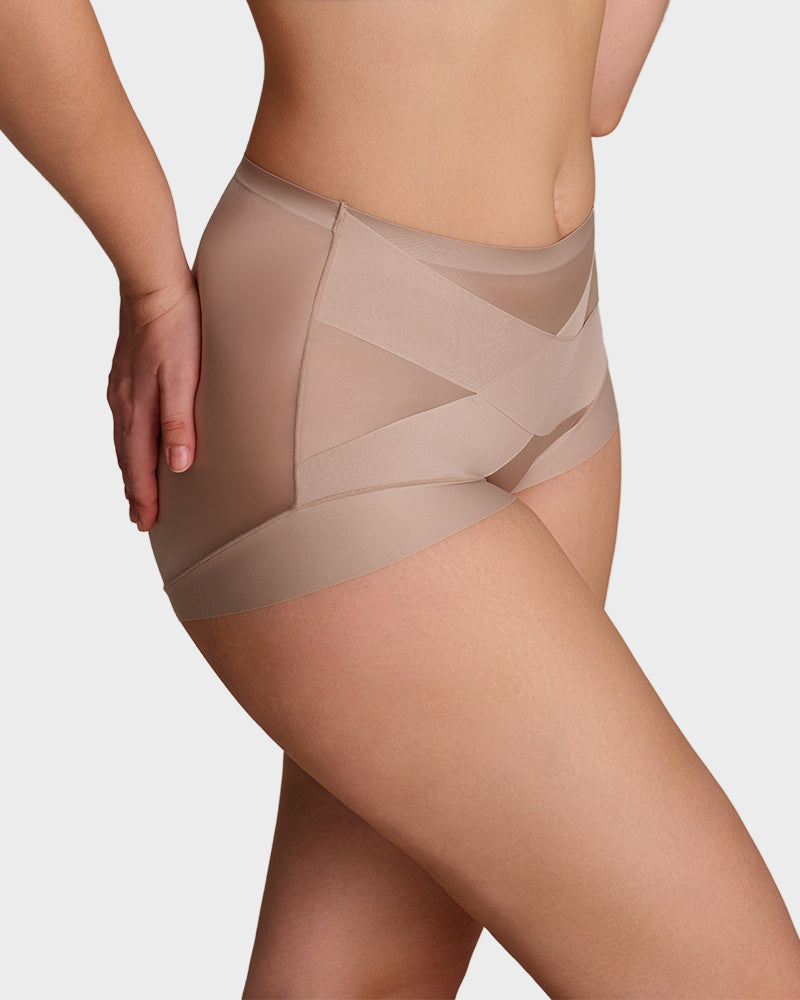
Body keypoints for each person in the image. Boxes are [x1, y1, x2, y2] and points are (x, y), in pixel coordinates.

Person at [2, 1, 799, 997]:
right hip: (342, 364)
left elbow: (598, 86)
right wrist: (149, 274)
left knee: (362, 980)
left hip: (560, 372)